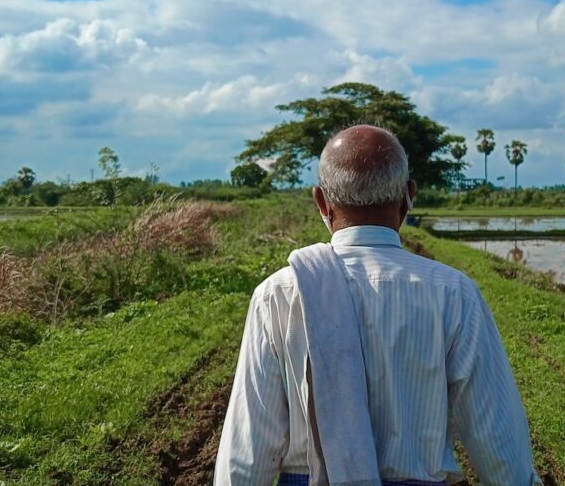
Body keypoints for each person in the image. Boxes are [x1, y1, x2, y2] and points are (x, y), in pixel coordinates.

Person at [214, 125, 540, 485]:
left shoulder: (279, 293)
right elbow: (497, 438)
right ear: (408, 196)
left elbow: (247, 453)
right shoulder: (453, 293)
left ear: (321, 202)